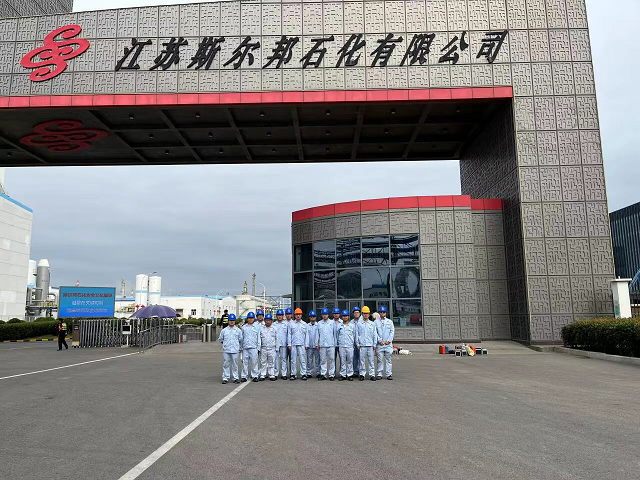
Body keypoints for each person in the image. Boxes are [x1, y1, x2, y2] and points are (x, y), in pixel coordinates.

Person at [218, 314, 242, 384]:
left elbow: (240, 339)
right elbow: (220, 339)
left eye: (233, 320)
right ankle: (225, 378)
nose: (231, 322)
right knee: (226, 364)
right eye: (230, 320)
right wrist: (226, 344)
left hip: (235, 350)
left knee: (235, 364)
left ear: (235, 321)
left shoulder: (238, 330)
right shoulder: (224, 330)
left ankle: (235, 378)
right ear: (228, 321)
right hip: (226, 350)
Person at [356, 306, 377, 381]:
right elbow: (357, 334)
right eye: (364, 313)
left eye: (367, 313)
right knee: (362, 361)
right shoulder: (359, 324)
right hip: (362, 345)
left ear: (369, 314)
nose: (365, 315)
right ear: (362, 314)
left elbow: (375, 334)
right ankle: (362, 374)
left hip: (370, 345)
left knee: (371, 361)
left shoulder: (372, 324)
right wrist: (357, 344)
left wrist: (374, 344)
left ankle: (372, 374)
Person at [288, 308, 309, 380]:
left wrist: (306, 344)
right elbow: (289, 334)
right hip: (293, 344)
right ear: (294, 315)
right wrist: (289, 344)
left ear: (301, 315)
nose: (298, 316)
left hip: (302, 344)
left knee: (302, 360)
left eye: (299, 314)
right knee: (293, 360)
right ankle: (293, 374)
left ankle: (303, 374)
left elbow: (307, 335)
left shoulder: (305, 324)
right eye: (296, 314)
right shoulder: (291, 324)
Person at [316, 307, 336, 380]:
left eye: (326, 314)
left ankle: (331, 374)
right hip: (322, 345)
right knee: (323, 360)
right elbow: (317, 334)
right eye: (323, 314)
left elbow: (335, 334)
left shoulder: (332, 323)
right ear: (322, 315)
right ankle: (323, 374)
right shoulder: (319, 323)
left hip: (331, 344)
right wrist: (317, 344)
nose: (324, 316)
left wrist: (335, 343)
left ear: (328, 315)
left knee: (332, 360)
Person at [375, 306, 394, 380]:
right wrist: (379, 340)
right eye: (381, 312)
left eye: (384, 312)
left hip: (388, 344)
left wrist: (389, 340)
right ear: (379, 313)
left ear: (386, 313)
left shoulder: (390, 322)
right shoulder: (376, 322)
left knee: (388, 359)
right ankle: (379, 373)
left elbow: (392, 332)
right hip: (380, 344)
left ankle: (389, 374)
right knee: (379, 359)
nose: (382, 313)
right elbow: (375, 333)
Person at [259, 313, 279, 381]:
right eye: (266, 320)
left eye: (269, 320)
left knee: (271, 362)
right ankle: (263, 375)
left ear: (271, 321)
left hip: (272, 348)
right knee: (263, 362)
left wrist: (277, 348)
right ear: (264, 321)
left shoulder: (274, 328)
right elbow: (259, 339)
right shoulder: (261, 329)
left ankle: (271, 374)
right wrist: (259, 347)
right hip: (263, 348)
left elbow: (277, 339)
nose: (268, 321)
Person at [241, 312, 260, 382]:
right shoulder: (243, 327)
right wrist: (241, 347)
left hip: (254, 347)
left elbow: (258, 338)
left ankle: (255, 375)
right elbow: (241, 338)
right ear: (247, 319)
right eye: (249, 318)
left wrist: (258, 347)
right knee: (244, 362)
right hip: (245, 348)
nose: (250, 319)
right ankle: (244, 376)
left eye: (252, 318)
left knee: (254, 362)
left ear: (254, 319)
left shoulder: (257, 327)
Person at [337, 310, 356, 381]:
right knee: (342, 361)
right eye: (343, 316)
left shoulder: (352, 326)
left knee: (350, 361)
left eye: (346, 316)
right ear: (342, 317)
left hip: (350, 346)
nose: (345, 317)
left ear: (348, 317)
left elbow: (354, 335)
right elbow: (337, 335)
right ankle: (343, 375)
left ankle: (350, 374)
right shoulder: (339, 326)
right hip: (342, 346)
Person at [274, 309, 289, 379]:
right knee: (276, 359)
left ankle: (284, 374)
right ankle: (275, 373)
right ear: (276, 316)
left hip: (284, 344)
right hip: (276, 344)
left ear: (283, 316)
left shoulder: (286, 324)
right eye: (278, 315)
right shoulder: (274, 324)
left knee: (284, 359)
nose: (279, 317)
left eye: (281, 315)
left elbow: (288, 334)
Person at [306, 310, 320, 378]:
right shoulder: (307, 326)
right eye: (311, 317)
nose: (312, 318)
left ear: (316, 317)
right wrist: (306, 344)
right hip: (309, 346)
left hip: (317, 346)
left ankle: (318, 372)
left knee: (318, 360)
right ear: (309, 317)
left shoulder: (318, 325)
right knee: (309, 360)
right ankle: (309, 372)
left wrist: (318, 344)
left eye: (313, 317)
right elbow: (306, 336)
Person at [350, 306, 361, 374]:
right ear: (353, 314)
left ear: (360, 313)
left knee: (361, 358)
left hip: (361, 343)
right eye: (355, 312)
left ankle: (361, 371)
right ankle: (355, 371)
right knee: (354, 357)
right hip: (353, 343)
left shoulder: (362, 321)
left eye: (357, 312)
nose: (356, 314)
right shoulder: (351, 322)